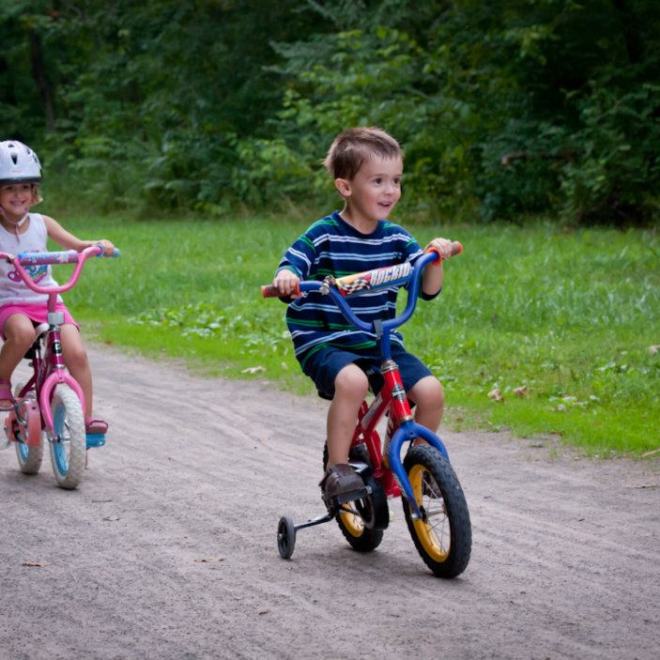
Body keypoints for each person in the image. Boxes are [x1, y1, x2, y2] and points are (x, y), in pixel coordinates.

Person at [271, 127, 458, 501]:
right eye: (378, 181)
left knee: (431, 392)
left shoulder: (397, 239)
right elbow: (292, 263)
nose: (390, 190)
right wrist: (288, 278)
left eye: (396, 181)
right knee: (353, 383)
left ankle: (413, 463)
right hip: (326, 341)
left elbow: (428, 288)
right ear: (345, 187)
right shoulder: (324, 235)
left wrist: (433, 256)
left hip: (378, 340)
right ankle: (337, 470)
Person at [0, 139, 113, 436]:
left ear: (34, 191)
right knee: (22, 333)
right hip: (11, 303)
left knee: (76, 353)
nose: (18, 195)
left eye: (25, 187)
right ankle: (2, 380)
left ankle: (85, 423)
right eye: (9, 188)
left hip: (47, 300)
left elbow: (77, 245)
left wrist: (98, 246)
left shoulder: (42, 223)